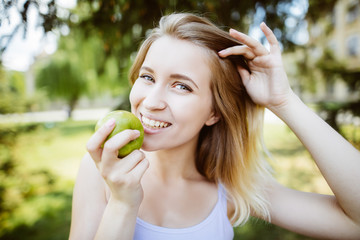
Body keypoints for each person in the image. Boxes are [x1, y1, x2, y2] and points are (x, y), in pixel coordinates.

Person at [69, 13, 360, 239]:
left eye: (181, 86)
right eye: (147, 77)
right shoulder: (100, 172)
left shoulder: (231, 189)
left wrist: (284, 102)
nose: (151, 101)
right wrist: (122, 203)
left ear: (214, 113)